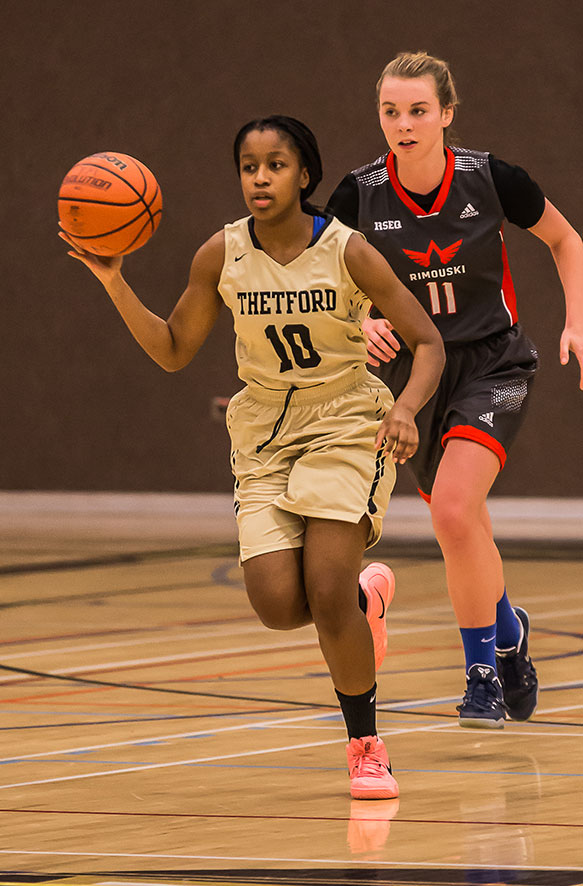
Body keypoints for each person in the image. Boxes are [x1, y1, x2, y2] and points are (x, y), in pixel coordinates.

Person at [59, 115, 445, 797]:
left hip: (345, 423)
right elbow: (176, 350)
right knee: (275, 604)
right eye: (248, 166)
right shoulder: (220, 254)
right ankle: (364, 603)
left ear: (304, 174)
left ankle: (365, 745)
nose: (259, 178)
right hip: (263, 431)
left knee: (324, 594)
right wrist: (113, 280)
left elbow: (427, 342)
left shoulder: (348, 251)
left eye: (274, 165)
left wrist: (405, 408)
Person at [327, 52, 583, 728]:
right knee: (463, 527)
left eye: (417, 110)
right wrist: (362, 319)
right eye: (390, 111)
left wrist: (576, 322)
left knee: (450, 513)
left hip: (493, 364)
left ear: (445, 113)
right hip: (416, 375)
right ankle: (509, 635)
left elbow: (565, 240)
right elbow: (326, 282)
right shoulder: (358, 194)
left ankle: (480, 678)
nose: (403, 124)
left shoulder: (490, 178)